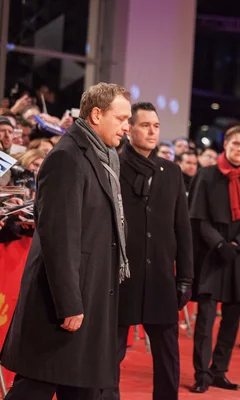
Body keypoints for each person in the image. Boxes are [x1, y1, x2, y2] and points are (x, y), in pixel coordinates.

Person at [0, 82, 132, 399]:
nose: (127, 127)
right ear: (96, 115)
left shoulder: (104, 156)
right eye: (122, 118)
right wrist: (69, 303)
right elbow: (59, 238)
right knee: (37, 384)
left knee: (78, 386)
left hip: (89, 296)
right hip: (62, 305)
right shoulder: (67, 158)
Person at [106, 102, 193, 400]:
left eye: (156, 125)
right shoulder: (112, 166)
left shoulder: (171, 171)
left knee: (168, 356)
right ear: (129, 129)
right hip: (121, 276)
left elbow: (182, 228)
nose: (153, 131)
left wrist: (185, 278)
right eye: (145, 125)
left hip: (160, 278)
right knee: (110, 355)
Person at [188, 125, 240, 394]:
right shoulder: (206, 175)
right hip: (212, 254)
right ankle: (201, 373)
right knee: (205, 318)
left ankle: (218, 371)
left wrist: (237, 245)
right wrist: (221, 244)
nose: (239, 149)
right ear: (225, 144)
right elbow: (199, 219)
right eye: (235, 144)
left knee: (233, 319)